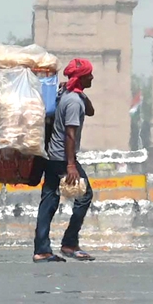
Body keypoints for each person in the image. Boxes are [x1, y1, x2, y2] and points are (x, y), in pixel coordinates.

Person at [34, 58, 96, 263]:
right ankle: (69, 243)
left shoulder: (67, 95)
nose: (92, 77)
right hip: (62, 157)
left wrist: (76, 89)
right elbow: (70, 134)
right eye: (89, 75)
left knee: (49, 199)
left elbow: (91, 111)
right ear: (82, 77)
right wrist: (71, 165)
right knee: (85, 195)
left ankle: (42, 249)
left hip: (52, 155)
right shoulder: (73, 101)